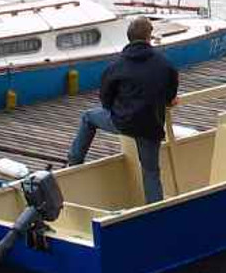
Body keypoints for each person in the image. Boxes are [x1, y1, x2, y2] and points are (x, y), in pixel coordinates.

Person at [67, 16, 179, 204]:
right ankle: (156, 211)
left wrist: (118, 110)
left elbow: (105, 99)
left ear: (129, 38)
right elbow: (170, 95)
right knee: (151, 171)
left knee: (88, 117)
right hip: (151, 125)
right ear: (149, 37)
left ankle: (74, 161)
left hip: (123, 121)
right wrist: (167, 101)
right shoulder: (165, 64)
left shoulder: (116, 66)